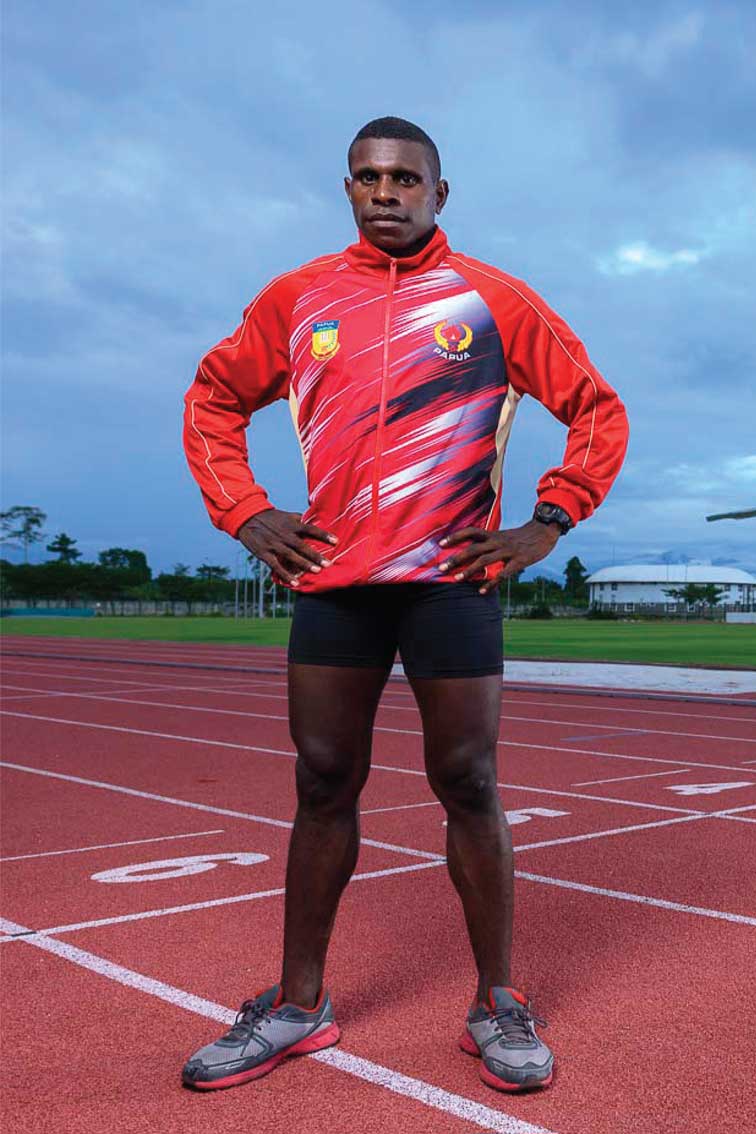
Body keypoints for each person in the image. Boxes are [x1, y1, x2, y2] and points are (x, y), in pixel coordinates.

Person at [177, 116, 628, 1093]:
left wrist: (549, 521)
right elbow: (213, 398)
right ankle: (298, 1005)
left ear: (439, 192)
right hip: (335, 580)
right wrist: (245, 512)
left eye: (406, 178)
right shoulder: (299, 298)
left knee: (467, 780)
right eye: (369, 177)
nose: (387, 192)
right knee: (322, 780)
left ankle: (497, 1003)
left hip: (450, 582)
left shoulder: (495, 299)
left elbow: (596, 410)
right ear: (348, 188)